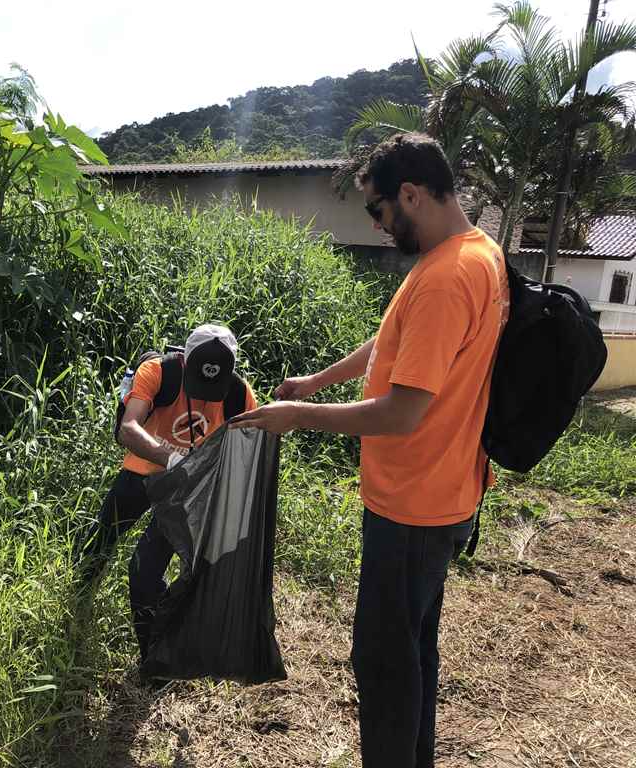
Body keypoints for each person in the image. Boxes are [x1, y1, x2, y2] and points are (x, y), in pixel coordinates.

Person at [230, 133, 509, 768]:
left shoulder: (446, 277)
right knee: (413, 649)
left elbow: (403, 412)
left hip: (414, 505)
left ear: (410, 194)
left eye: (377, 210)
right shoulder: (474, 254)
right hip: (441, 493)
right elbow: (391, 345)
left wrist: (298, 416)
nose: (378, 225)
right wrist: (316, 382)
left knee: (383, 660)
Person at [76, 324, 256, 661]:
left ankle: (157, 658)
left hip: (186, 493)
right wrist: (172, 459)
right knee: (100, 540)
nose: (206, 393)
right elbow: (128, 429)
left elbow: (245, 453)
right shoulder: (158, 372)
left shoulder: (238, 394)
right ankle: (77, 603)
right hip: (142, 472)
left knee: (144, 572)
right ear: (185, 360)